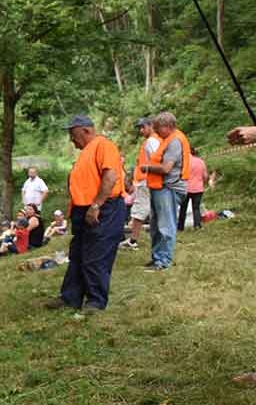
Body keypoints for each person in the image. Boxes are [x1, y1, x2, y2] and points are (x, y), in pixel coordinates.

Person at [48, 115, 125, 312]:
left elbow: (110, 177)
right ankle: (70, 297)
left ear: (86, 131)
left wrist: (96, 206)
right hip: (84, 210)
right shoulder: (86, 152)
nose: (71, 141)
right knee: (78, 255)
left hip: (103, 209)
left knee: (96, 256)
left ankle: (95, 302)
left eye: (73, 135)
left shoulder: (103, 145)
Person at [140, 111, 190, 270]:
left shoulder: (175, 141)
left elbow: (167, 168)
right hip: (159, 187)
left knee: (165, 225)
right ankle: (156, 257)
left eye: (157, 128)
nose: (155, 131)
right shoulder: (167, 139)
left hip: (168, 187)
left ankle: (164, 260)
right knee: (155, 225)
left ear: (167, 126)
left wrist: (146, 167)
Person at [120, 117, 160, 250]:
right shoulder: (154, 140)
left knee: (139, 211)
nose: (141, 131)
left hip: (145, 181)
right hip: (146, 180)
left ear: (151, 126)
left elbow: (156, 160)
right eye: (140, 128)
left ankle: (133, 240)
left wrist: (146, 172)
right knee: (147, 210)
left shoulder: (151, 141)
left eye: (143, 127)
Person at [177, 146, 208, 231]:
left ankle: (180, 227)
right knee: (196, 207)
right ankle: (197, 225)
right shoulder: (201, 161)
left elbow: (179, 175)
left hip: (185, 188)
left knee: (183, 208)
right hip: (198, 188)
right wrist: (203, 183)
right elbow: (205, 176)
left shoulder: (183, 162)